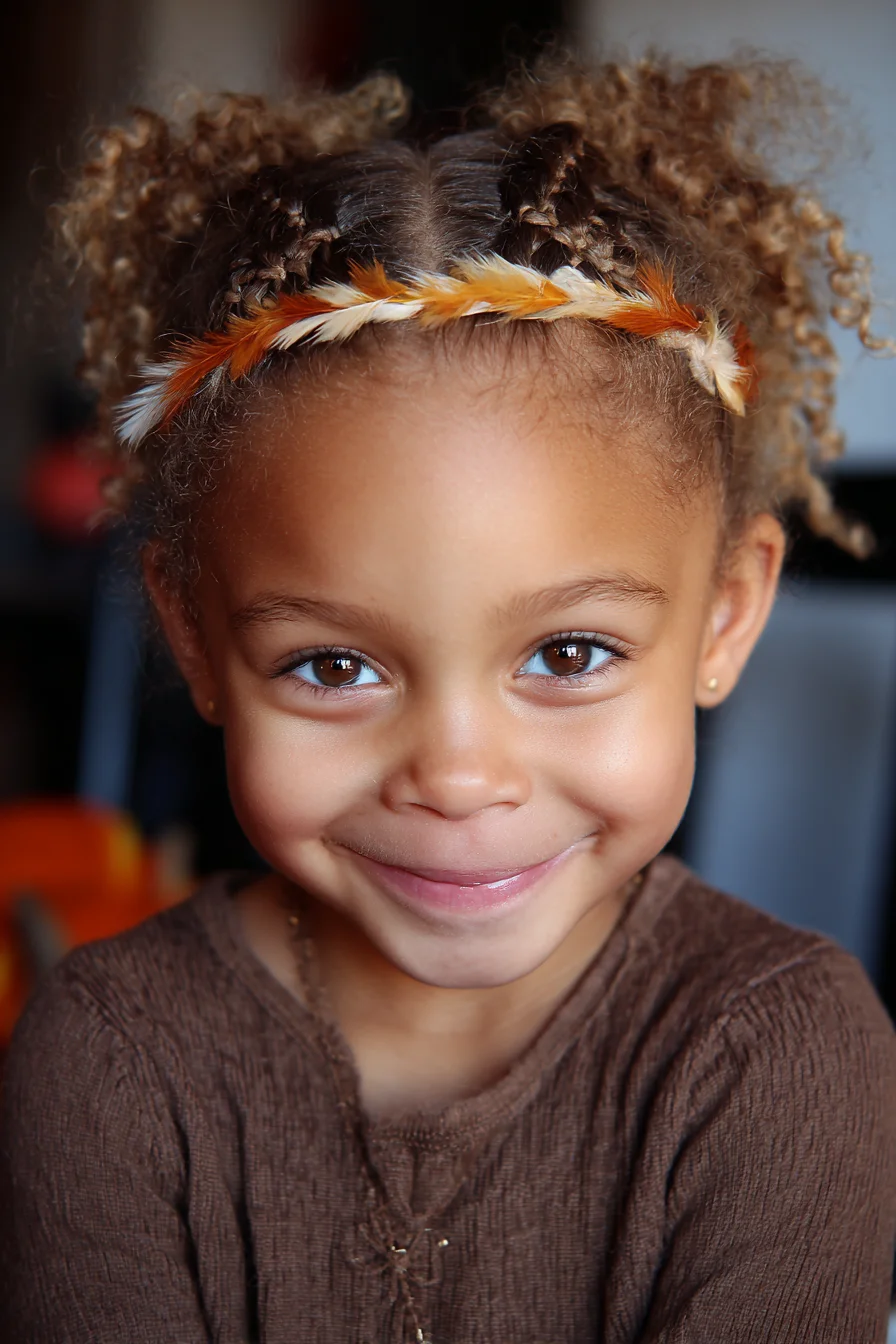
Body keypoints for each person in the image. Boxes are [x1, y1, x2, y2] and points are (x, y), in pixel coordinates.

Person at [1, 54, 894, 1344]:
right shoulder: (113, 1059)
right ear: (194, 638)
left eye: (570, 655)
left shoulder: (775, 1052)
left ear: (724, 615)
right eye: (334, 666)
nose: (461, 776)